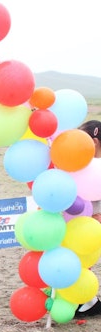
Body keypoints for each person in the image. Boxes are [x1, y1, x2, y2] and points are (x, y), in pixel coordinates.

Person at [74, 120, 101, 318]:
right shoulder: (82, 164)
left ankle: (87, 301)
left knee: (83, 259)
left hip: (93, 219)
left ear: (94, 141)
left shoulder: (93, 166)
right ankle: (86, 300)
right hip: (87, 219)